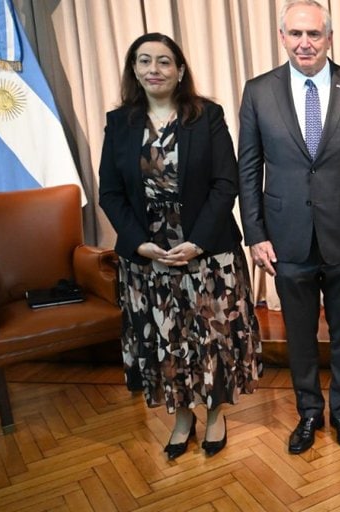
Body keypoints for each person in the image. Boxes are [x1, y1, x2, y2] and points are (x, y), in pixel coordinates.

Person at [237, 0, 340, 455]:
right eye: (296, 34)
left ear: (329, 37)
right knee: (300, 334)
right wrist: (256, 233)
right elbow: (248, 169)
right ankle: (309, 413)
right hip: (285, 239)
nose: (305, 42)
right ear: (282, 37)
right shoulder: (258, 92)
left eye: (314, 34)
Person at [98, 33, 262, 461]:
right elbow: (110, 194)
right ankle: (182, 416)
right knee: (165, 343)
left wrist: (197, 242)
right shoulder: (119, 124)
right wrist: (140, 244)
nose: (154, 69)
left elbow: (227, 183)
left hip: (207, 254)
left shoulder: (206, 117)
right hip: (149, 260)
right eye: (145, 61)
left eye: (164, 61)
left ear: (180, 70)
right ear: (134, 69)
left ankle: (214, 414)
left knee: (211, 339)